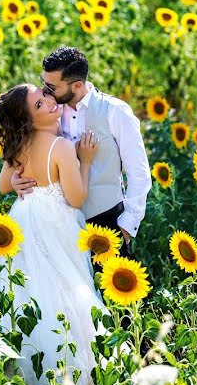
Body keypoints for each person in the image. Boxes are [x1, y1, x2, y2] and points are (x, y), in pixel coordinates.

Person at [0, 83, 106, 385]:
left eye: (45, 96)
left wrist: (13, 180)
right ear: (29, 120)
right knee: (67, 288)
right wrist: (86, 161)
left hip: (25, 219)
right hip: (56, 224)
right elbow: (76, 198)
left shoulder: (19, 145)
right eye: (40, 105)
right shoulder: (62, 147)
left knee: (32, 288)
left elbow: (1, 185)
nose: (50, 102)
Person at [8, 46, 151, 259]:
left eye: (52, 86)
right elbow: (28, 150)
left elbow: (139, 173)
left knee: (113, 291)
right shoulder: (47, 113)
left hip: (107, 223)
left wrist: (127, 227)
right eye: (43, 82)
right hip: (60, 226)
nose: (45, 91)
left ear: (77, 85)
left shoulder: (115, 111)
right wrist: (16, 178)